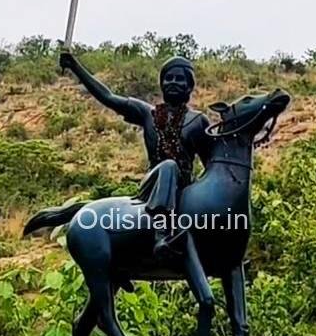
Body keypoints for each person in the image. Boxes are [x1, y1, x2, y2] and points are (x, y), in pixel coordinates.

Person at [59, 50, 211, 257]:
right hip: (154, 183)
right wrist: (75, 66)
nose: (173, 82)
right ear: (161, 83)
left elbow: (210, 165)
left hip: (185, 188)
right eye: (168, 78)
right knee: (168, 166)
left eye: (179, 79)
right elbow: (108, 97)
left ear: (190, 86)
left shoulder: (198, 121)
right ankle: (161, 234)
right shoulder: (147, 113)